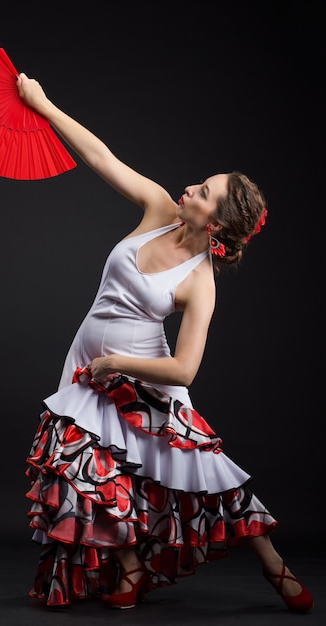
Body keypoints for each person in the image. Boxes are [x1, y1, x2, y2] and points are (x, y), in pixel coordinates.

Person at [16, 72, 313, 613]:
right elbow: (101, 157)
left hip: (142, 378)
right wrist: (43, 106)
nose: (191, 188)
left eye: (204, 192)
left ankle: (275, 567)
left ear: (218, 224)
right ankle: (129, 568)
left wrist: (116, 363)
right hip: (89, 363)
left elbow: (184, 371)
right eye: (200, 182)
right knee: (87, 469)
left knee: (202, 473)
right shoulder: (157, 209)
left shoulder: (201, 282)